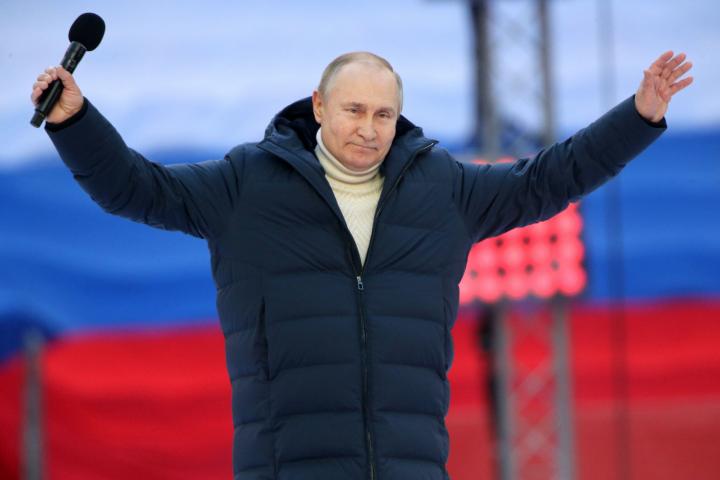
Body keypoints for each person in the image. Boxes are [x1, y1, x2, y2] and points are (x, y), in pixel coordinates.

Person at [31, 50, 692, 480]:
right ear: (319, 106)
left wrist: (638, 118)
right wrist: (75, 122)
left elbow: (549, 179)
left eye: (384, 114)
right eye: (353, 110)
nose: (369, 128)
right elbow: (133, 188)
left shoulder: (443, 189)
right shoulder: (245, 185)